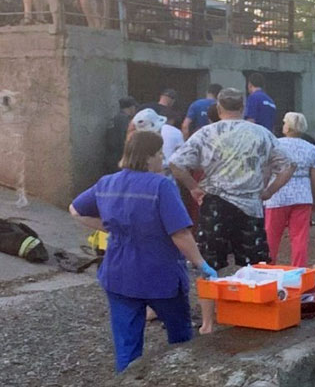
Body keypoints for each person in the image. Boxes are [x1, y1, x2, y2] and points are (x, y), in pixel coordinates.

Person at [69, 131, 218, 372]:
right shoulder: (161, 186)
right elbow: (179, 234)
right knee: (180, 339)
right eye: (159, 153)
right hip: (161, 276)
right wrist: (202, 264)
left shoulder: (106, 183)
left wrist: (110, 226)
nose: (163, 158)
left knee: (127, 345)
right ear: (148, 157)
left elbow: (76, 210)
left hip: (119, 275)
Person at [169, 87, 295, 334]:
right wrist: (269, 192)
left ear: (218, 109)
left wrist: (194, 188)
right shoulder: (262, 134)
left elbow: (176, 163)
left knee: (208, 264)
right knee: (254, 265)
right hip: (250, 206)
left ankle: (208, 323)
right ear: (243, 107)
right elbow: (288, 166)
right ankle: (250, 314)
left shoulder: (205, 133)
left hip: (215, 203)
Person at [264, 112, 315, 267]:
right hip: (303, 195)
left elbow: (266, 170)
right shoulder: (311, 148)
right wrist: (314, 199)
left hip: (277, 195)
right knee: (300, 238)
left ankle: (268, 268)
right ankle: (299, 270)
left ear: (287, 127)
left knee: (271, 237)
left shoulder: (275, 144)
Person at [105, 96, 137, 173]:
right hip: (119, 156)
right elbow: (124, 138)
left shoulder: (115, 118)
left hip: (110, 155)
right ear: (131, 107)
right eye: (134, 107)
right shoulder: (124, 120)